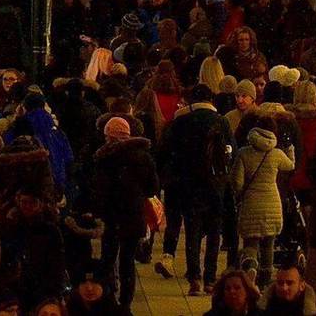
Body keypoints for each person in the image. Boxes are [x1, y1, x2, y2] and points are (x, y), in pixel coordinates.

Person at [161, 83, 233, 295]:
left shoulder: (181, 122)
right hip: (216, 184)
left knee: (192, 231)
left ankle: (194, 276)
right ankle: (211, 278)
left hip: (189, 184)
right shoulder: (221, 122)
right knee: (214, 232)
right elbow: (232, 152)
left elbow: (168, 153)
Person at [86, 117, 157, 312]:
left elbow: (98, 189)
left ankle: (104, 299)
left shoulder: (105, 158)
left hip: (111, 215)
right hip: (133, 214)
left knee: (108, 258)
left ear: (109, 136)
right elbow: (153, 188)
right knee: (127, 261)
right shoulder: (143, 156)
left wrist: (96, 210)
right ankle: (125, 304)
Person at [230, 121, 291, 288]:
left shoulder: (244, 153)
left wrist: (238, 193)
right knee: (269, 245)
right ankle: (265, 279)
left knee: (251, 242)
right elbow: (290, 165)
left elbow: (237, 182)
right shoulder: (277, 153)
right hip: (272, 203)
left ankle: (250, 266)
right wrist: (291, 150)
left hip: (251, 203)